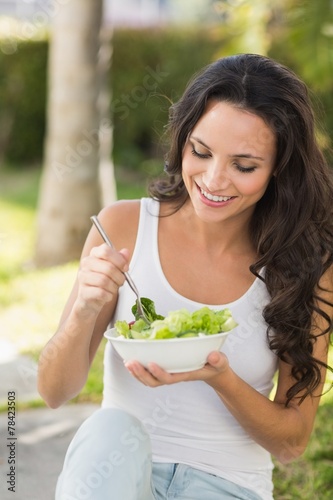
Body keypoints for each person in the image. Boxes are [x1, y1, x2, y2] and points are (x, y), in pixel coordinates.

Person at [38, 53, 333, 500]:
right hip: (118, 475)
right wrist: (84, 309)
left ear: (279, 171)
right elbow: (54, 391)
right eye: (201, 151)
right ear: (182, 141)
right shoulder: (121, 228)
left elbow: (292, 443)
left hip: (226, 485)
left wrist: (218, 376)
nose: (214, 180)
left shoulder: (307, 264)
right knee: (109, 428)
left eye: (244, 165)